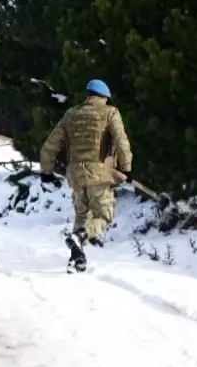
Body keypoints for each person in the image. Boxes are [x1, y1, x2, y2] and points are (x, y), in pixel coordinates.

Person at [38, 79, 132, 272]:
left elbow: (49, 147)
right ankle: (81, 236)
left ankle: (76, 259)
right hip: (99, 173)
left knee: (82, 215)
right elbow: (122, 142)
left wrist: (46, 173)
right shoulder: (110, 113)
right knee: (103, 216)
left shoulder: (71, 114)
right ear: (104, 97)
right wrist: (127, 168)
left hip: (75, 175)